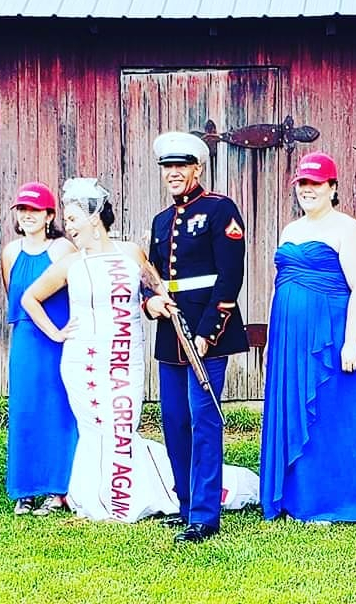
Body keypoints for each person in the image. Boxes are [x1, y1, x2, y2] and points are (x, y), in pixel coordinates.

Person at [21, 178, 260, 525]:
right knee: (98, 428)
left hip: (124, 355)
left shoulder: (131, 251)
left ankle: (151, 493)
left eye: (73, 219)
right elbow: (30, 297)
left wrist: (155, 302)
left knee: (124, 427)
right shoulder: (69, 263)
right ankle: (98, 496)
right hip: (84, 358)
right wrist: (57, 333)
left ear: (93, 216)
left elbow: (155, 286)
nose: (67, 226)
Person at [260, 152, 356, 523]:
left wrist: (352, 341)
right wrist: (272, 340)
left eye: (316, 183)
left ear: (333, 188)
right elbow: (280, 285)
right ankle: (295, 498)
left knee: (332, 415)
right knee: (293, 410)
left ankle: (338, 501)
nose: (308, 190)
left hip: (331, 337)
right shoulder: (290, 230)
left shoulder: (348, 229)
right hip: (290, 339)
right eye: (303, 183)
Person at [143, 132, 252, 543]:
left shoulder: (220, 210)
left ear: (197, 169)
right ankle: (185, 503)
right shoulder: (159, 221)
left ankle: (204, 515)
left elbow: (230, 278)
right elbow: (151, 279)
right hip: (170, 335)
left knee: (204, 421)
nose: (173, 174)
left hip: (207, 334)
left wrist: (208, 334)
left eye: (181, 166)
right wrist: (150, 304)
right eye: (167, 167)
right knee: (173, 421)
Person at [2, 182, 77, 516]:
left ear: (49, 215)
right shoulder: (10, 252)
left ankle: (57, 487)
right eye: (23, 210)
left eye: (35, 210)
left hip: (58, 337)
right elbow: (16, 296)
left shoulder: (62, 249)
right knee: (25, 409)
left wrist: (60, 332)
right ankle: (25, 488)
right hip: (26, 340)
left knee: (58, 409)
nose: (28, 216)